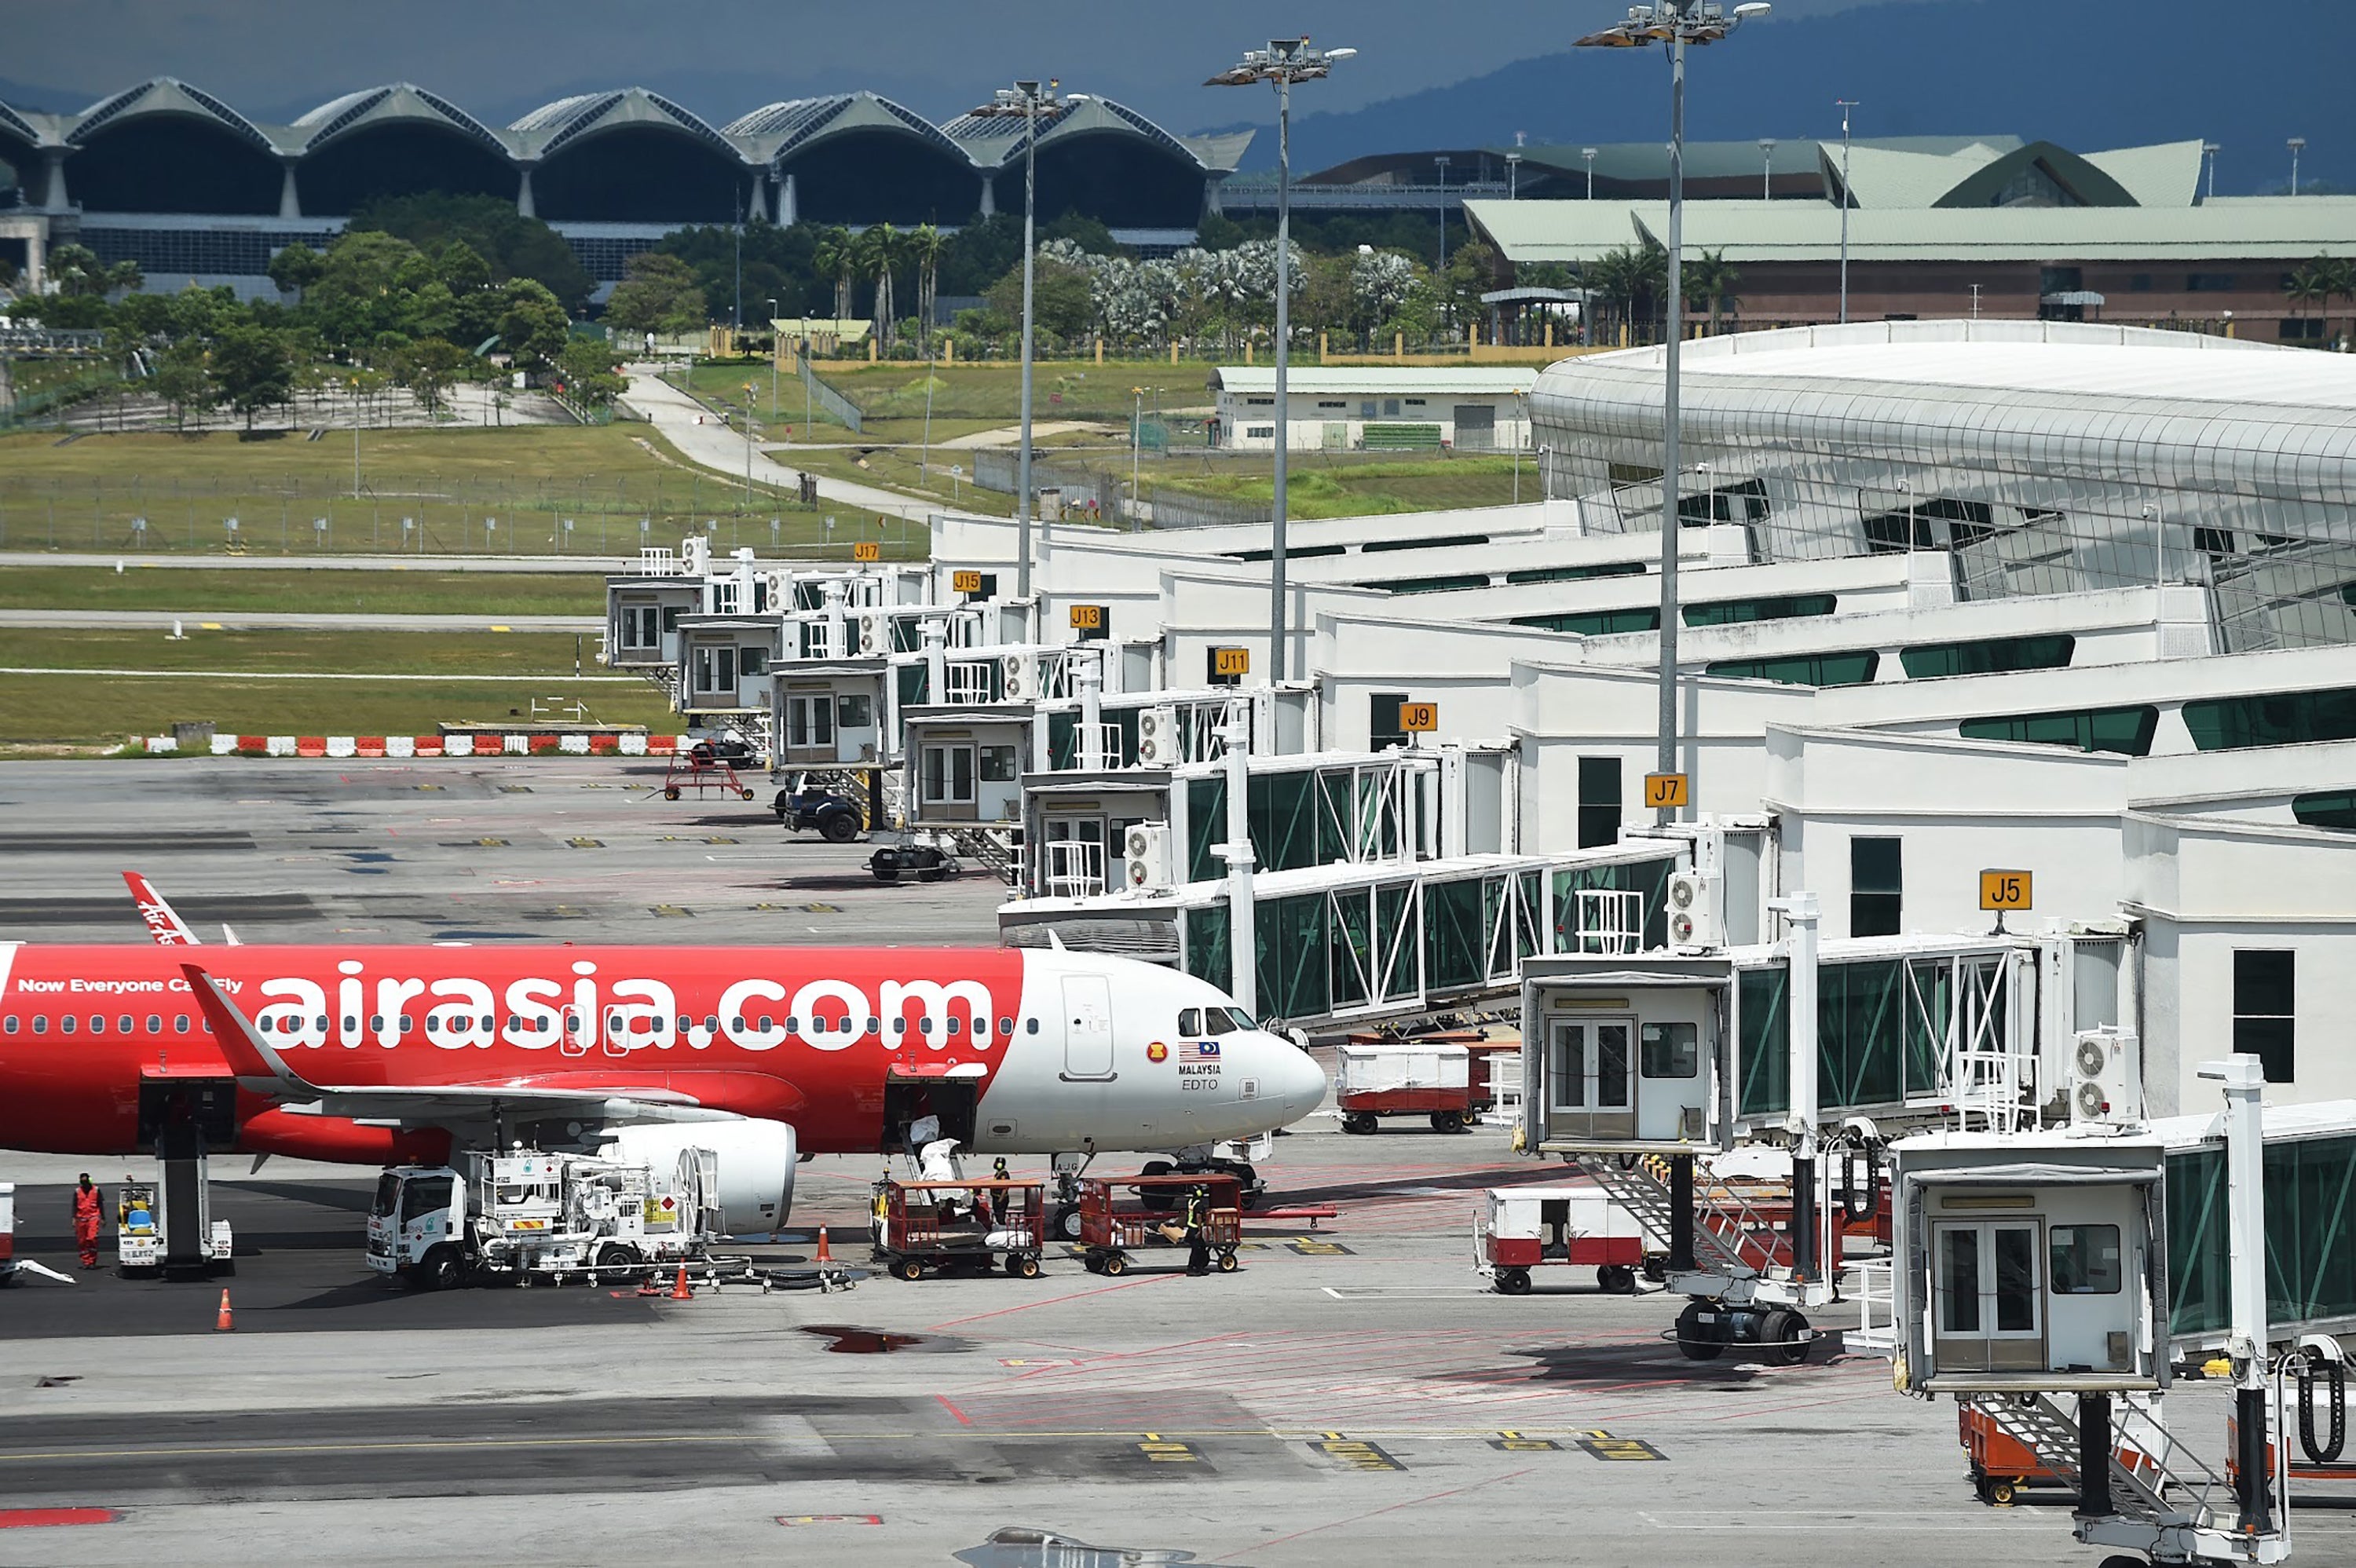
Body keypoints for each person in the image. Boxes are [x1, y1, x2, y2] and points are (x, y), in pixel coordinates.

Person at [71, 1172, 103, 1269]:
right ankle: (86, 1261)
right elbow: (74, 1205)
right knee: (82, 1241)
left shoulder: (96, 1190)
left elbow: (100, 1204)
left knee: (92, 1238)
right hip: (81, 1219)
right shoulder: (77, 1191)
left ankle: (92, 1260)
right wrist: (73, 1218)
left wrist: (103, 1218)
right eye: (82, 1182)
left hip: (93, 1218)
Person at [1183, 1184, 1212, 1277]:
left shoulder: (1191, 1201)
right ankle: (1191, 1268)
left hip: (1190, 1228)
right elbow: (1198, 1217)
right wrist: (1199, 1230)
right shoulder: (1199, 1204)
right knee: (1196, 1249)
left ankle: (1200, 1267)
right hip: (1195, 1229)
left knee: (1202, 1247)